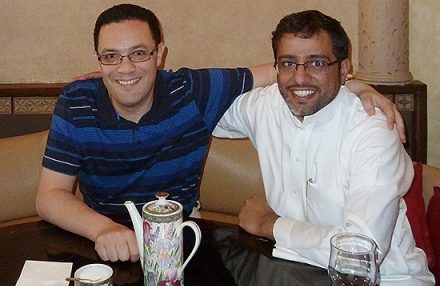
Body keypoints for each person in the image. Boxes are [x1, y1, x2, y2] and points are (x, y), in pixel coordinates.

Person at [36, 4, 403, 265]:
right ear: (99, 60)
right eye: (111, 57)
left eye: (138, 53)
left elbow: (287, 76)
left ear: (159, 54)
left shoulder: (192, 94)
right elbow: (49, 196)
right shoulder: (78, 101)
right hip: (98, 245)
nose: (126, 67)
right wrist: (102, 230)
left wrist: (353, 85)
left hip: (185, 244)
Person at [213, 10, 438, 286]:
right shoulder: (265, 106)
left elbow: (358, 256)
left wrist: (269, 224)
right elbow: (196, 105)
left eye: (316, 63)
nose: (300, 78)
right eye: (288, 63)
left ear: (343, 68)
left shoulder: (373, 132)